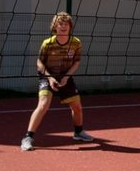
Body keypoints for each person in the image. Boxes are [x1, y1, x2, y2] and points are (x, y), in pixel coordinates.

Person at [21, 12, 90, 151]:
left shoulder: (76, 43)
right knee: (43, 104)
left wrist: (66, 77)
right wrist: (50, 78)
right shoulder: (48, 43)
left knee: (77, 107)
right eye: (60, 23)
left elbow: (76, 62)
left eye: (66, 24)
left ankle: (78, 132)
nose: (63, 26)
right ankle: (27, 137)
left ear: (70, 27)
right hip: (47, 76)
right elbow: (39, 62)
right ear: (55, 27)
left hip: (65, 76)